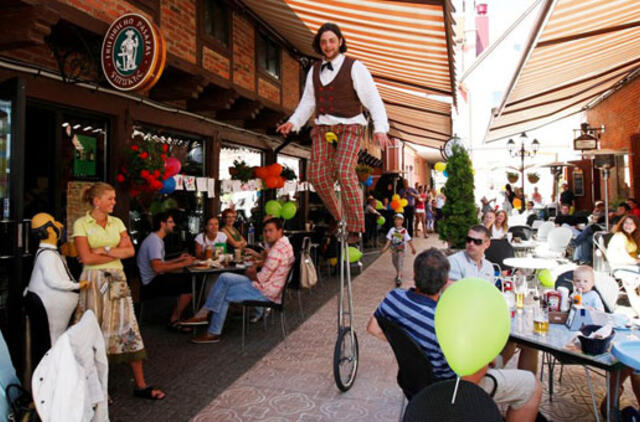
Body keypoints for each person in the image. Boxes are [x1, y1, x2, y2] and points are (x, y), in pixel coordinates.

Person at [366, 248, 542, 422]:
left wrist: (409, 344)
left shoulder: (393, 298)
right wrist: (488, 362)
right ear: (445, 282)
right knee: (532, 387)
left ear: (414, 274)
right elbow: (470, 377)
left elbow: (373, 328)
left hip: (415, 383)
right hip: (451, 390)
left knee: (506, 348)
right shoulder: (446, 321)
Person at [276, 22, 391, 244]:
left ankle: (356, 227)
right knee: (316, 176)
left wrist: (380, 128)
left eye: (331, 40)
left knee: (343, 169)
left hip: (350, 126)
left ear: (339, 41)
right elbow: (308, 102)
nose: (328, 45)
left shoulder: (355, 67)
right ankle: (340, 217)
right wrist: (293, 122)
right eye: (323, 42)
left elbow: (372, 99)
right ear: (319, 46)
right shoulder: (314, 70)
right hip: (323, 127)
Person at [73, 182, 165, 400]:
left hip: (117, 279)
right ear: (97, 201)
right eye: (110, 199)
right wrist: (116, 252)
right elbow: (86, 258)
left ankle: (140, 384)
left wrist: (103, 250)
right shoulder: (81, 223)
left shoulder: (117, 222)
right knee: (94, 329)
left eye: (114, 198)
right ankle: (98, 390)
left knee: (127, 327)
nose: (114, 202)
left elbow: (130, 251)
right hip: (93, 281)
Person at [182, 218, 295, 344]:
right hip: (271, 285)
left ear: (280, 231)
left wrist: (251, 273)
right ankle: (204, 313)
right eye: (265, 231)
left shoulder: (276, 250)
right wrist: (255, 268)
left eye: (270, 231)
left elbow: (260, 279)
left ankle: (213, 332)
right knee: (225, 277)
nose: (267, 234)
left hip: (267, 292)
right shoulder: (285, 243)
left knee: (224, 292)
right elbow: (266, 268)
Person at [25, 212, 86, 366]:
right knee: (51, 344)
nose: (59, 224)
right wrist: (78, 285)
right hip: (49, 309)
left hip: (52, 309)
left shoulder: (51, 253)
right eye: (54, 222)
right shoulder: (48, 255)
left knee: (51, 343)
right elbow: (53, 281)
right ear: (50, 231)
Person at [137, 211, 197, 331]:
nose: (173, 224)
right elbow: (158, 267)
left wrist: (178, 260)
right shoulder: (154, 241)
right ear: (162, 224)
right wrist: (183, 263)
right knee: (188, 285)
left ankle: (182, 316)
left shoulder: (155, 239)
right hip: (150, 283)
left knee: (187, 280)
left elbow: (160, 263)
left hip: (151, 279)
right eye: (170, 222)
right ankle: (174, 320)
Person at [381, 214, 416, 287]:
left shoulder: (404, 231)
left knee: (400, 261)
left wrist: (413, 248)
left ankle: (399, 277)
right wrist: (385, 248)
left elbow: (408, 240)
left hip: (401, 249)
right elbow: (389, 240)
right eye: (396, 219)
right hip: (394, 249)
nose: (397, 221)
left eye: (399, 219)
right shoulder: (392, 230)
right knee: (394, 261)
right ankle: (399, 272)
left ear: (402, 221)